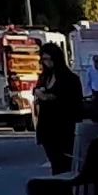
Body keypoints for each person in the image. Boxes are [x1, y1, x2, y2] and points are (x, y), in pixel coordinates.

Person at [34, 43, 81, 178]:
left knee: (64, 164)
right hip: (46, 127)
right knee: (55, 163)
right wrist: (39, 93)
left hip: (63, 127)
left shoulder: (69, 78)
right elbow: (38, 91)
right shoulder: (45, 77)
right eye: (44, 59)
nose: (47, 63)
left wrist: (48, 97)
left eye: (49, 59)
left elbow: (73, 102)